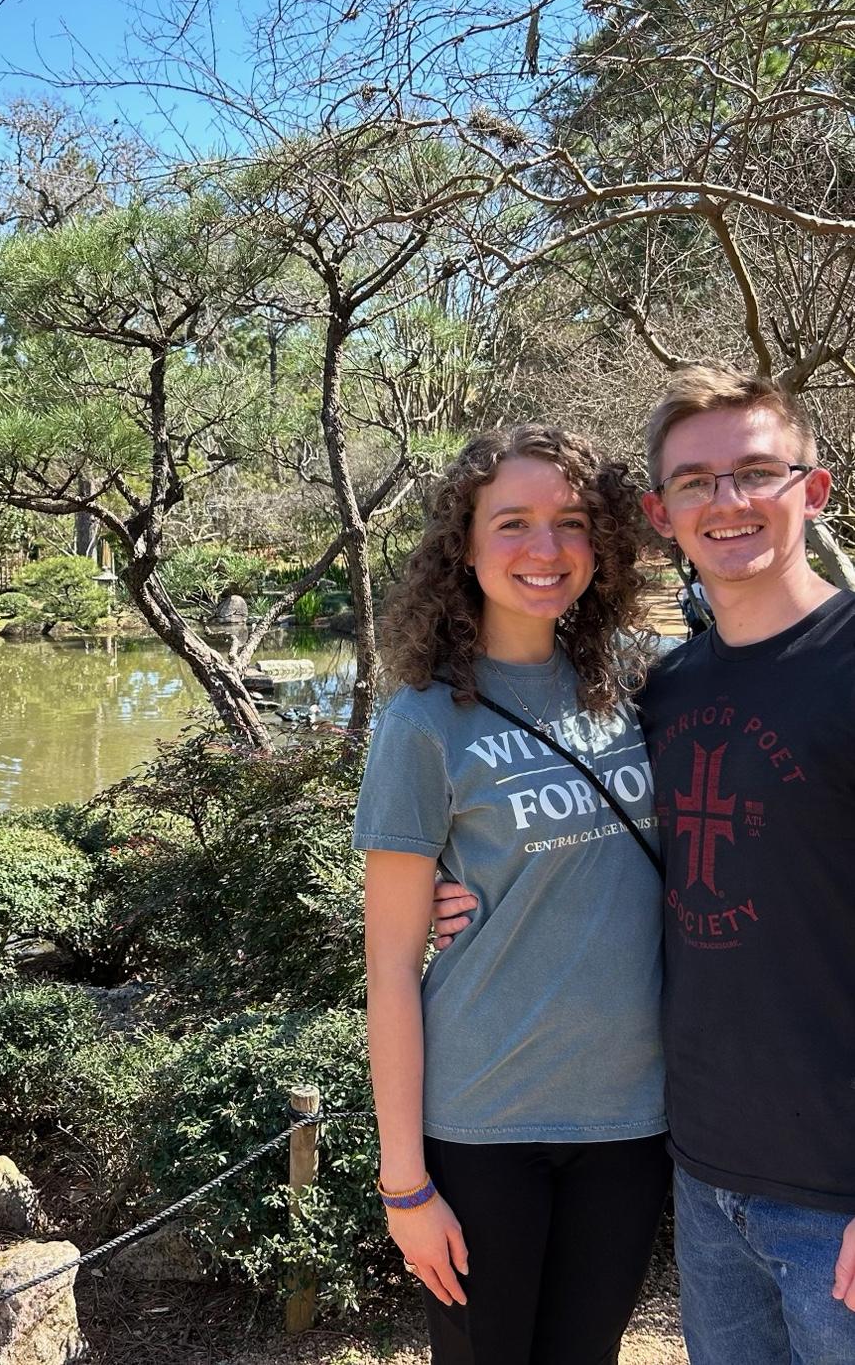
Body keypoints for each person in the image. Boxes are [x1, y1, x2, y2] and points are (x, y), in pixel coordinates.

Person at [433, 369, 855, 1364]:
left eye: (757, 471)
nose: (729, 502)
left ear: (816, 490)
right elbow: (584, 838)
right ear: (662, 515)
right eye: (697, 483)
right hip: (704, 1181)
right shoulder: (658, 693)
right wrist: (461, 894)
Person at [353, 424, 669, 1365]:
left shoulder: (640, 684)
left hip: (632, 1119)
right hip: (483, 1120)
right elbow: (390, 968)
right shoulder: (422, 721)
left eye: (571, 522)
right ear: (465, 543)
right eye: (514, 522)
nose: (545, 549)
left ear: (603, 541)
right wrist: (403, 1181)